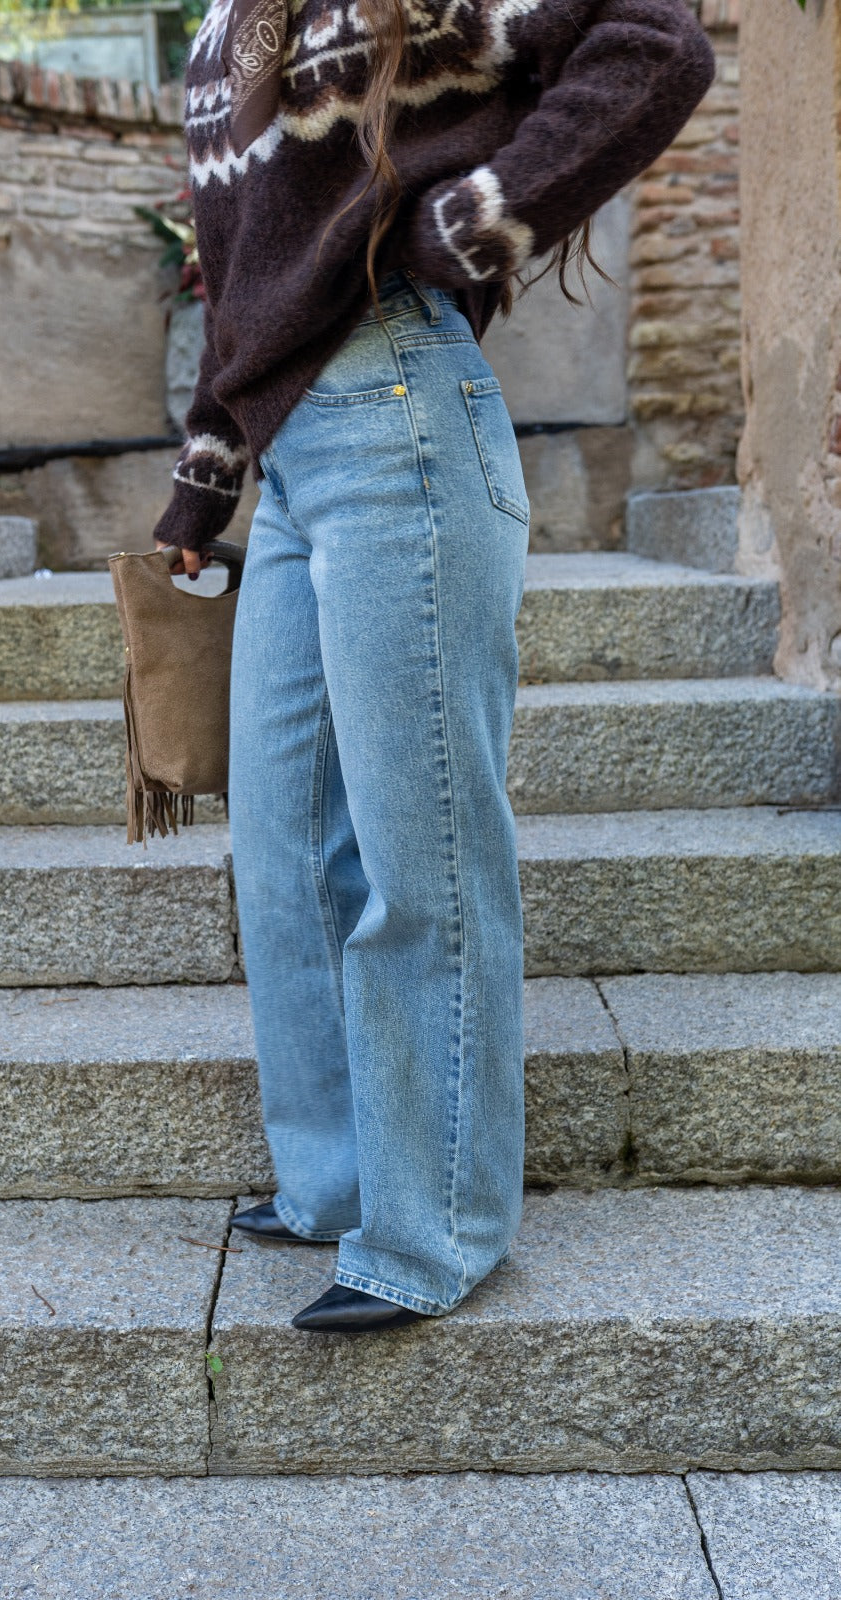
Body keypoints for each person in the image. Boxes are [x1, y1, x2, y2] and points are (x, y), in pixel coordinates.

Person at [153, 0, 715, 1332]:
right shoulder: (223, 25)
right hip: (293, 451)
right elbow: (244, 263)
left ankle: (434, 1225)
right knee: (285, 851)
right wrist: (203, 484)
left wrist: (464, 225)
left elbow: (656, 43)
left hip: (400, 407)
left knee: (424, 848)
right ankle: (337, 1182)